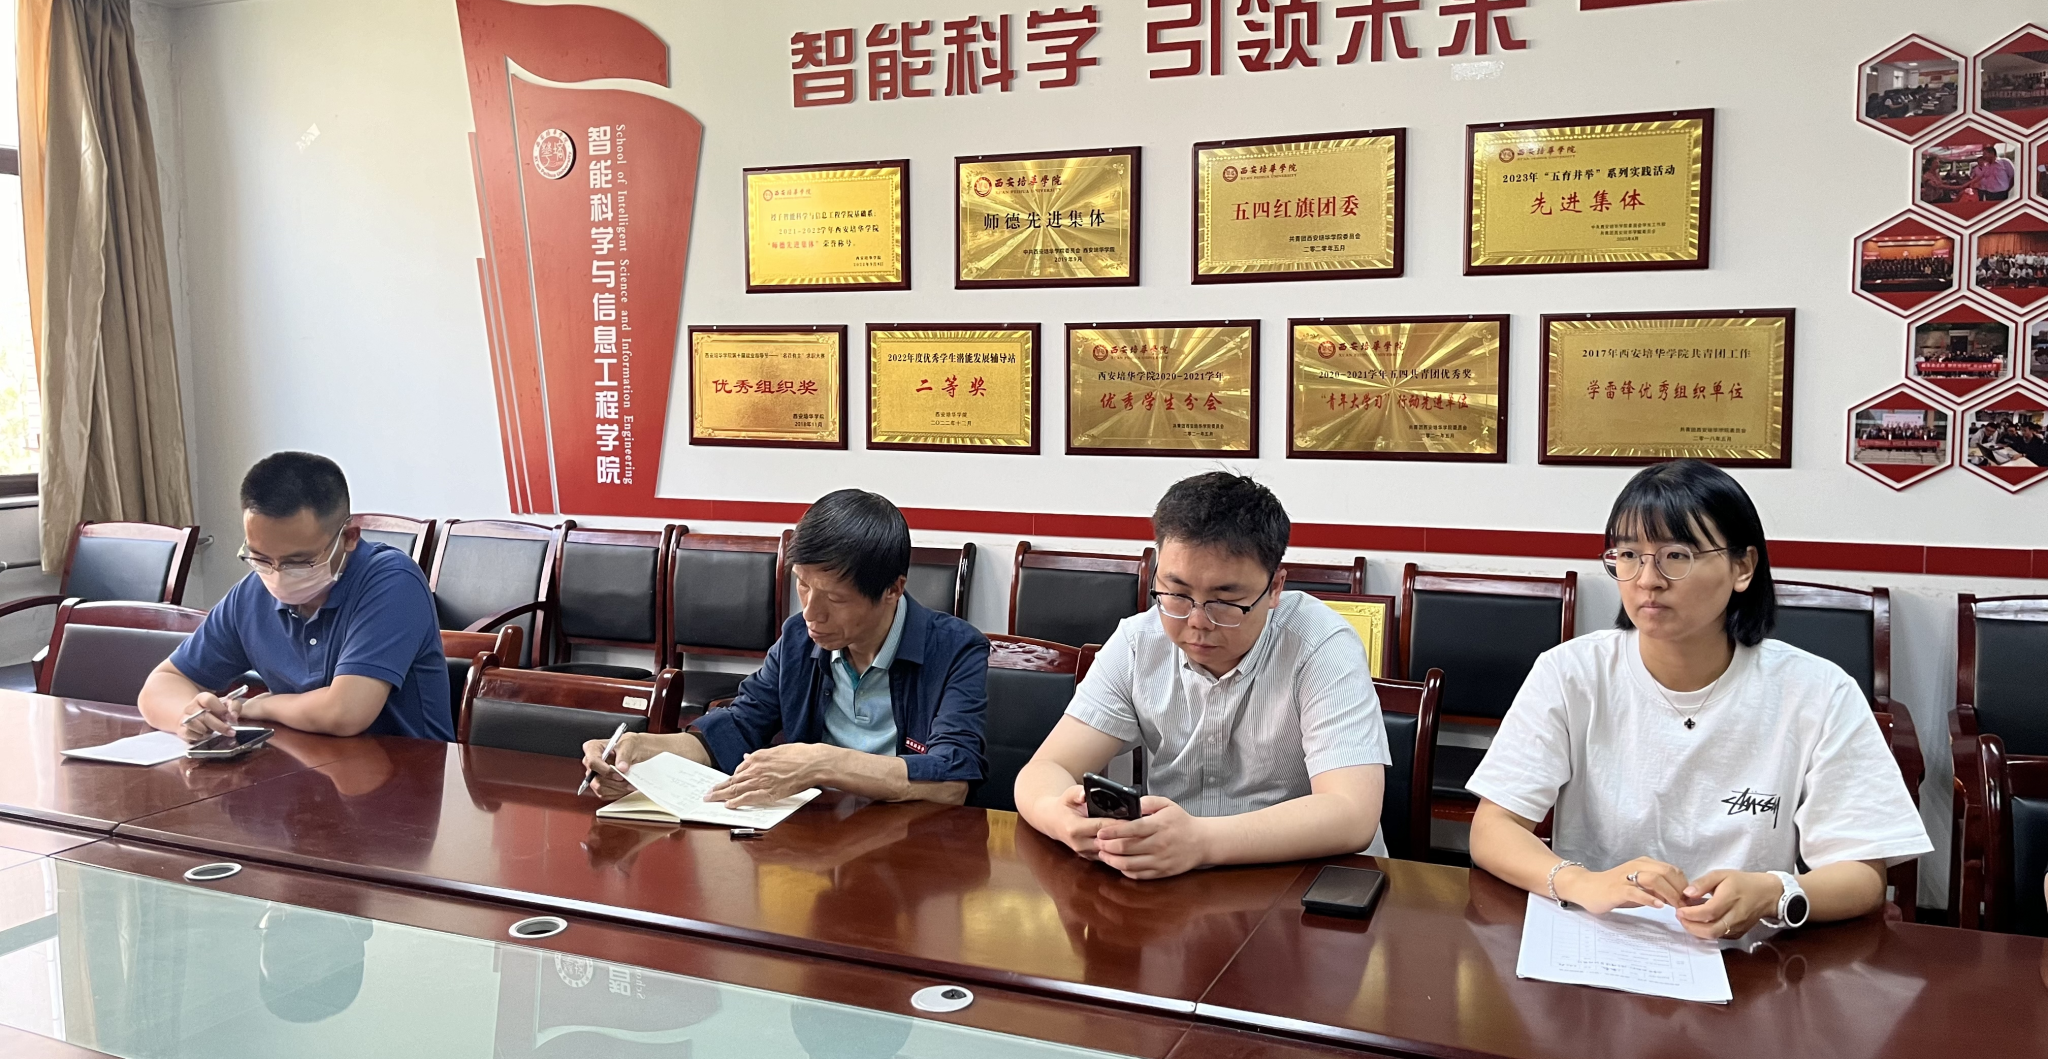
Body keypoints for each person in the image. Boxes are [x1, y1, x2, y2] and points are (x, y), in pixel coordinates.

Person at [1467, 460, 1931, 941]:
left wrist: (1775, 892)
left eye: (1677, 555)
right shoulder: (1571, 673)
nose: (1647, 579)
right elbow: (1493, 828)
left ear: (1742, 567)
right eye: (1629, 554)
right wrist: (1581, 882)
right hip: (1598, 946)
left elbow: (1863, 874)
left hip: (1751, 959)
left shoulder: (1817, 691)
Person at [1014, 472, 1389, 880]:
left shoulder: (1320, 645)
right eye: (1176, 593)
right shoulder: (1139, 643)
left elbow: (1351, 813)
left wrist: (1201, 841)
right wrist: (1061, 818)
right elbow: (1045, 768)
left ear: (1275, 588)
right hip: (1178, 878)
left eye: (1225, 601)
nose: (1197, 621)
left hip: (1304, 879)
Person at [581, 489, 987, 806]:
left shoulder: (955, 650)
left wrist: (822, 763)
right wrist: (644, 751)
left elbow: (952, 781)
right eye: (802, 585)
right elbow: (738, 727)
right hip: (814, 837)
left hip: (910, 845)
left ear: (893, 590)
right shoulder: (798, 638)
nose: (811, 612)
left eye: (835, 598)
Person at [138, 452, 452, 741]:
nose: (277, 574)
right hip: (303, 770)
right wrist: (187, 716)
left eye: (299, 561)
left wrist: (260, 706)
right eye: (261, 558)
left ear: (348, 538)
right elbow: (160, 685)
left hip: (408, 774)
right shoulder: (251, 595)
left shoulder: (392, 581)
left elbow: (345, 713)